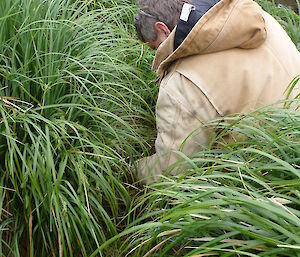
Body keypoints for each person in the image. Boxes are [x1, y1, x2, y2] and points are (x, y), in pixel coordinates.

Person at [134, 0, 300, 183]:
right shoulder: (253, 15)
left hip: (275, 177)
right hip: (293, 136)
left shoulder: (182, 83)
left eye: (154, 46)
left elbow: (171, 170)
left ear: (163, 30)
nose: (157, 53)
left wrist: (131, 169)